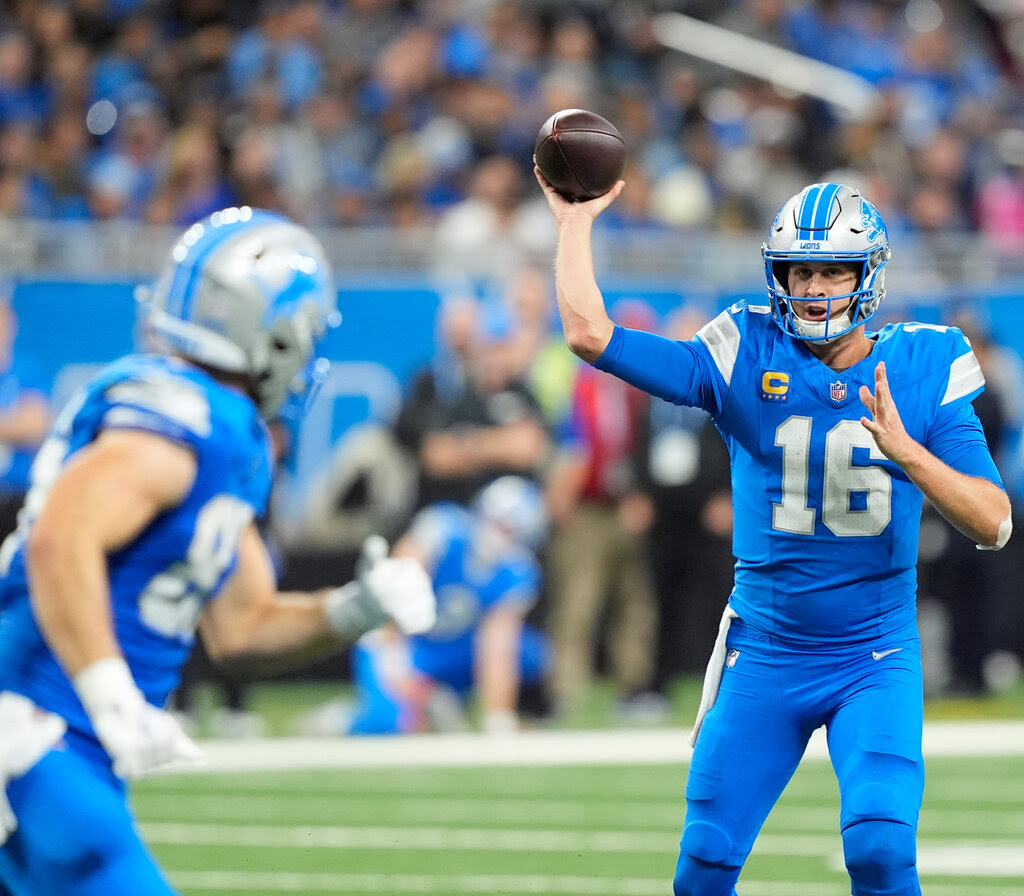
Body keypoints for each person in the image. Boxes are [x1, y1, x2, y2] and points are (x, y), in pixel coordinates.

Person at [535, 174, 1011, 895]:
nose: (815, 286)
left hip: (873, 655)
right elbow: (589, 334)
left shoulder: (923, 363)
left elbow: (995, 520)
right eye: (801, 270)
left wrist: (911, 452)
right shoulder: (744, 350)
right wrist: (574, 224)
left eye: (832, 270)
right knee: (703, 864)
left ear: (867, 276)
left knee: (881, 848)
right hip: (767, 650)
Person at [0, 206, 436, 896]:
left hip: (59, 746)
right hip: (36, 735)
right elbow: (60, 537)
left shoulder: (227, 431)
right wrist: (110, 694)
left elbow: (241, 624)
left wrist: (357, 606)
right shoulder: (192, 419)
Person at [343, 475, 549, 735]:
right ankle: (342, 720)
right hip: (405, 644)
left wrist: (498, 720)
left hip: (452, 648)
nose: (503, 538)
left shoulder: (517, 570)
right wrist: (398, 671)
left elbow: (497, 646)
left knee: (527, 651)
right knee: (389, 724)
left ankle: (447, 699)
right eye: (502, 526)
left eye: (514, 532)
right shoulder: (442, 529)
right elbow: (389, 595)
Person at [544, 299, 663, 720]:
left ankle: (633, 688)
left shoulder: (641, 389)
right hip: (588, 507)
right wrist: (562, 495)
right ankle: (565, 690)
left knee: (634, 601)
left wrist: (640, 496)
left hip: (625, 506)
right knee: (578, 601)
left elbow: (642, 449)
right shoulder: (589, 381)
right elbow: (573, 440)